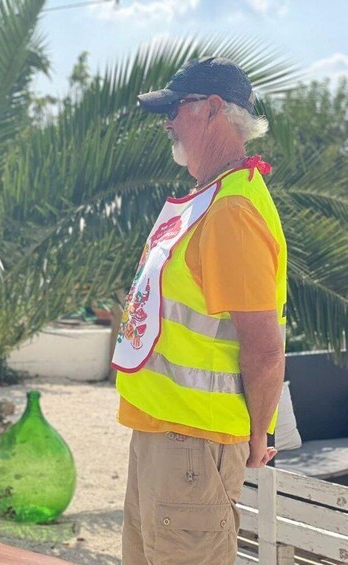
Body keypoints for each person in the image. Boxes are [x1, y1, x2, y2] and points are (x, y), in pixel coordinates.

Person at [112, 57, 287, 564]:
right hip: (163, 437)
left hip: (191, 446)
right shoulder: (211, 199)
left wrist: (258, 437)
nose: (166, 121)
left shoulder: (232, 210)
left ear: (213, 110)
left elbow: (264, 348)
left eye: (175, 108)